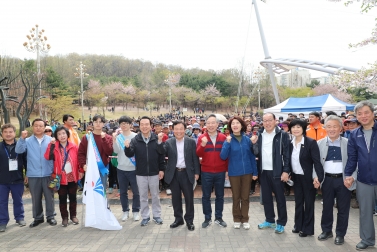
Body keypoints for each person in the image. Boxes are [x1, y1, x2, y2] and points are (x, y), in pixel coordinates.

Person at [316, 115, 356, 245]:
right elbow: (314, 164)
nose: (332, 129)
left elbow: (355, 162)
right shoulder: (319, 143)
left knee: (343, 209)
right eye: (329, 126)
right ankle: (326, 231)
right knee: (326, 207)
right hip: (327, 180)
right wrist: (315, 177)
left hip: (343, 181)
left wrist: (352, 178)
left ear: (340, 128)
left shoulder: (348, 143)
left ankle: (340, 234)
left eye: (335, 126)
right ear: (325, 128)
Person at [344, 101, 377, 250]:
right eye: (359, 113)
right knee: (365, 212)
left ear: (372, 113)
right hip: (364, 179)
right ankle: (367, 239)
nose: (363, 116)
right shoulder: (354, 134)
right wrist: (348, 174)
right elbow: (352, 157)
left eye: (366, 112)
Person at [252, 112, 290, 234]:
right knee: (266, 198)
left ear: (275, 121)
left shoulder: (282, 135)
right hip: (264, 171)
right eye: (265, 120)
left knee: (280, 198)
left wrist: (286, 171)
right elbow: (256, 153)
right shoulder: (259, 134)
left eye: (269, 120)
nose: (267, 123)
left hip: (278, 172)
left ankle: (281, 223)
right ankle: (269, 220)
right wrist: (253, 144)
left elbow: (287, 155)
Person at [124, 116, 165, 226]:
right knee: (143, 196)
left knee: (155, 195)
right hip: (141, 173)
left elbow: (161, 154)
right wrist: (127, 147)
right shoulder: (135, 140)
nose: (144, 126)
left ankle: (157, 215)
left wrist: (161, 170)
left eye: (147, 124)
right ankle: (145, 216)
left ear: (151, 126)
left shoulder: (156, 138)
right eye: (142, 124)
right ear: (139, 126)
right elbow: (130, 154)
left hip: (154, 172)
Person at [15, 118, 56, 227]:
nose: (38, 128)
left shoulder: (51, 140)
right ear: (33, 127)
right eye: (36, 125)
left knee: (49, 197)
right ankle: (38, 218)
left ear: (44, 127)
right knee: (36, 198)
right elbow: (19, 150)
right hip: (33, 174)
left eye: (41, 126)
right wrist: (22, 138)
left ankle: (50, 217)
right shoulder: (27, 141)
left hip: (48, 174)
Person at [220, 116, 258, 230]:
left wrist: (255, 172)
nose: (235, 125)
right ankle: (237, 219)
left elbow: (252, 157)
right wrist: (227, 143)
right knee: (236, 197)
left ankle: (245, 219)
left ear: (242, 125)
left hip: (247, 172)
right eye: (232, 124)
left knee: (245, 197)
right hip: (234, 173)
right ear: (230, 127)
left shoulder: (247, 139)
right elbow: (223, 156)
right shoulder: (228, 139)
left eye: (237, 123)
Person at [288, 119, 324, 237]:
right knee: (298, 202)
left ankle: (308, 229)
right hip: (296, 177)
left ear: (303, 129)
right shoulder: (290, 143)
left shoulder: (310, 142)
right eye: (293, 127)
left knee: (308, 204)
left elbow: (317, 162)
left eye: (298, 127)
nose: (296, 129)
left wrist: (318, 177)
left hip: (308, 178)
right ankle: (298, 225)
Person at [163, 121, 200, 231]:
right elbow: (161, 153)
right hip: (174, 174)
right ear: (173, 130)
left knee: (189, 198)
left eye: (181, 129)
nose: (179, 131)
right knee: (175, 198)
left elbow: (195, 158)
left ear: (185, 130)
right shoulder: (168, 142)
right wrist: (160, 142)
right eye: (176, 129)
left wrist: (197, 173)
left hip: (187, 173)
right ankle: (178, 219)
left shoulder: (191, 142)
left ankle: (189, 220)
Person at [44, 126, 83, 227]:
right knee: (62, 199)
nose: (62, 136)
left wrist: (81, 170)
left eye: (64, 133)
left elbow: (79, 160)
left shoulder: (74, 146)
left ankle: (73, 216)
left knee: (73, 198)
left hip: (72, 176)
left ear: (67, 134)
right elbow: (47, 157)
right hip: (60, 178)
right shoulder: (54, 146)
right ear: (56, 136)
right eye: (59, 134)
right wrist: (50, 145)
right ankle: (64, 218)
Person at [196, 114, 228, 228]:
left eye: (213, 123)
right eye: (208, 123)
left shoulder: (223, 137)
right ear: (206, 124)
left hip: (220, 171)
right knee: (206, 196)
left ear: (217, 124)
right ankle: (207, 218)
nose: (210, 125)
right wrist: (203, 145)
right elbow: (198, 154)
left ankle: (218, 217)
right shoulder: (201, 138)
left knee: (220, 196)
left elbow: (227, 155)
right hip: (206, 172)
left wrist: (227, 170)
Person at [0, 124, 27, 232]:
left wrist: (27, 174)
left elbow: (26, 161)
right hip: (2, 180)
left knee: (18, 200)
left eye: (10, 132)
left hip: (17, 178)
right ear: (2, 134)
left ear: (14, 133)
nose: (8, 134)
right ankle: (2, 221)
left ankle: (19, 218)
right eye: (5, 132)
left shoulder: (20, 146)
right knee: (2, 202)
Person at [112, 116, 140, 222]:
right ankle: (125, 211)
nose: (123, 125)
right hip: (121, 169)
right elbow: (116, 150)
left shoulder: (136, 136)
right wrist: (114, 140)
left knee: (136, 192)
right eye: (121, 123)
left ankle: (136, 211)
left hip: (133, 168)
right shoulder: (118, 137)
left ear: (130, 124)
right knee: (123, 191)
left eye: (126, 123)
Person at [78, 115, 113, 190]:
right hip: (90, 168)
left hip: (102, 168)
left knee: (101, 191)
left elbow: (109, 152)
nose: (98, 124)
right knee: (91, 191)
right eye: (96, 122)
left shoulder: (108, 137)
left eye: (100, 122)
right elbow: (81, 153)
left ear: (103, 124)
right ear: (92, 123)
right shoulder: (87, 137)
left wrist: (104, 140)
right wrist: (83, 164)